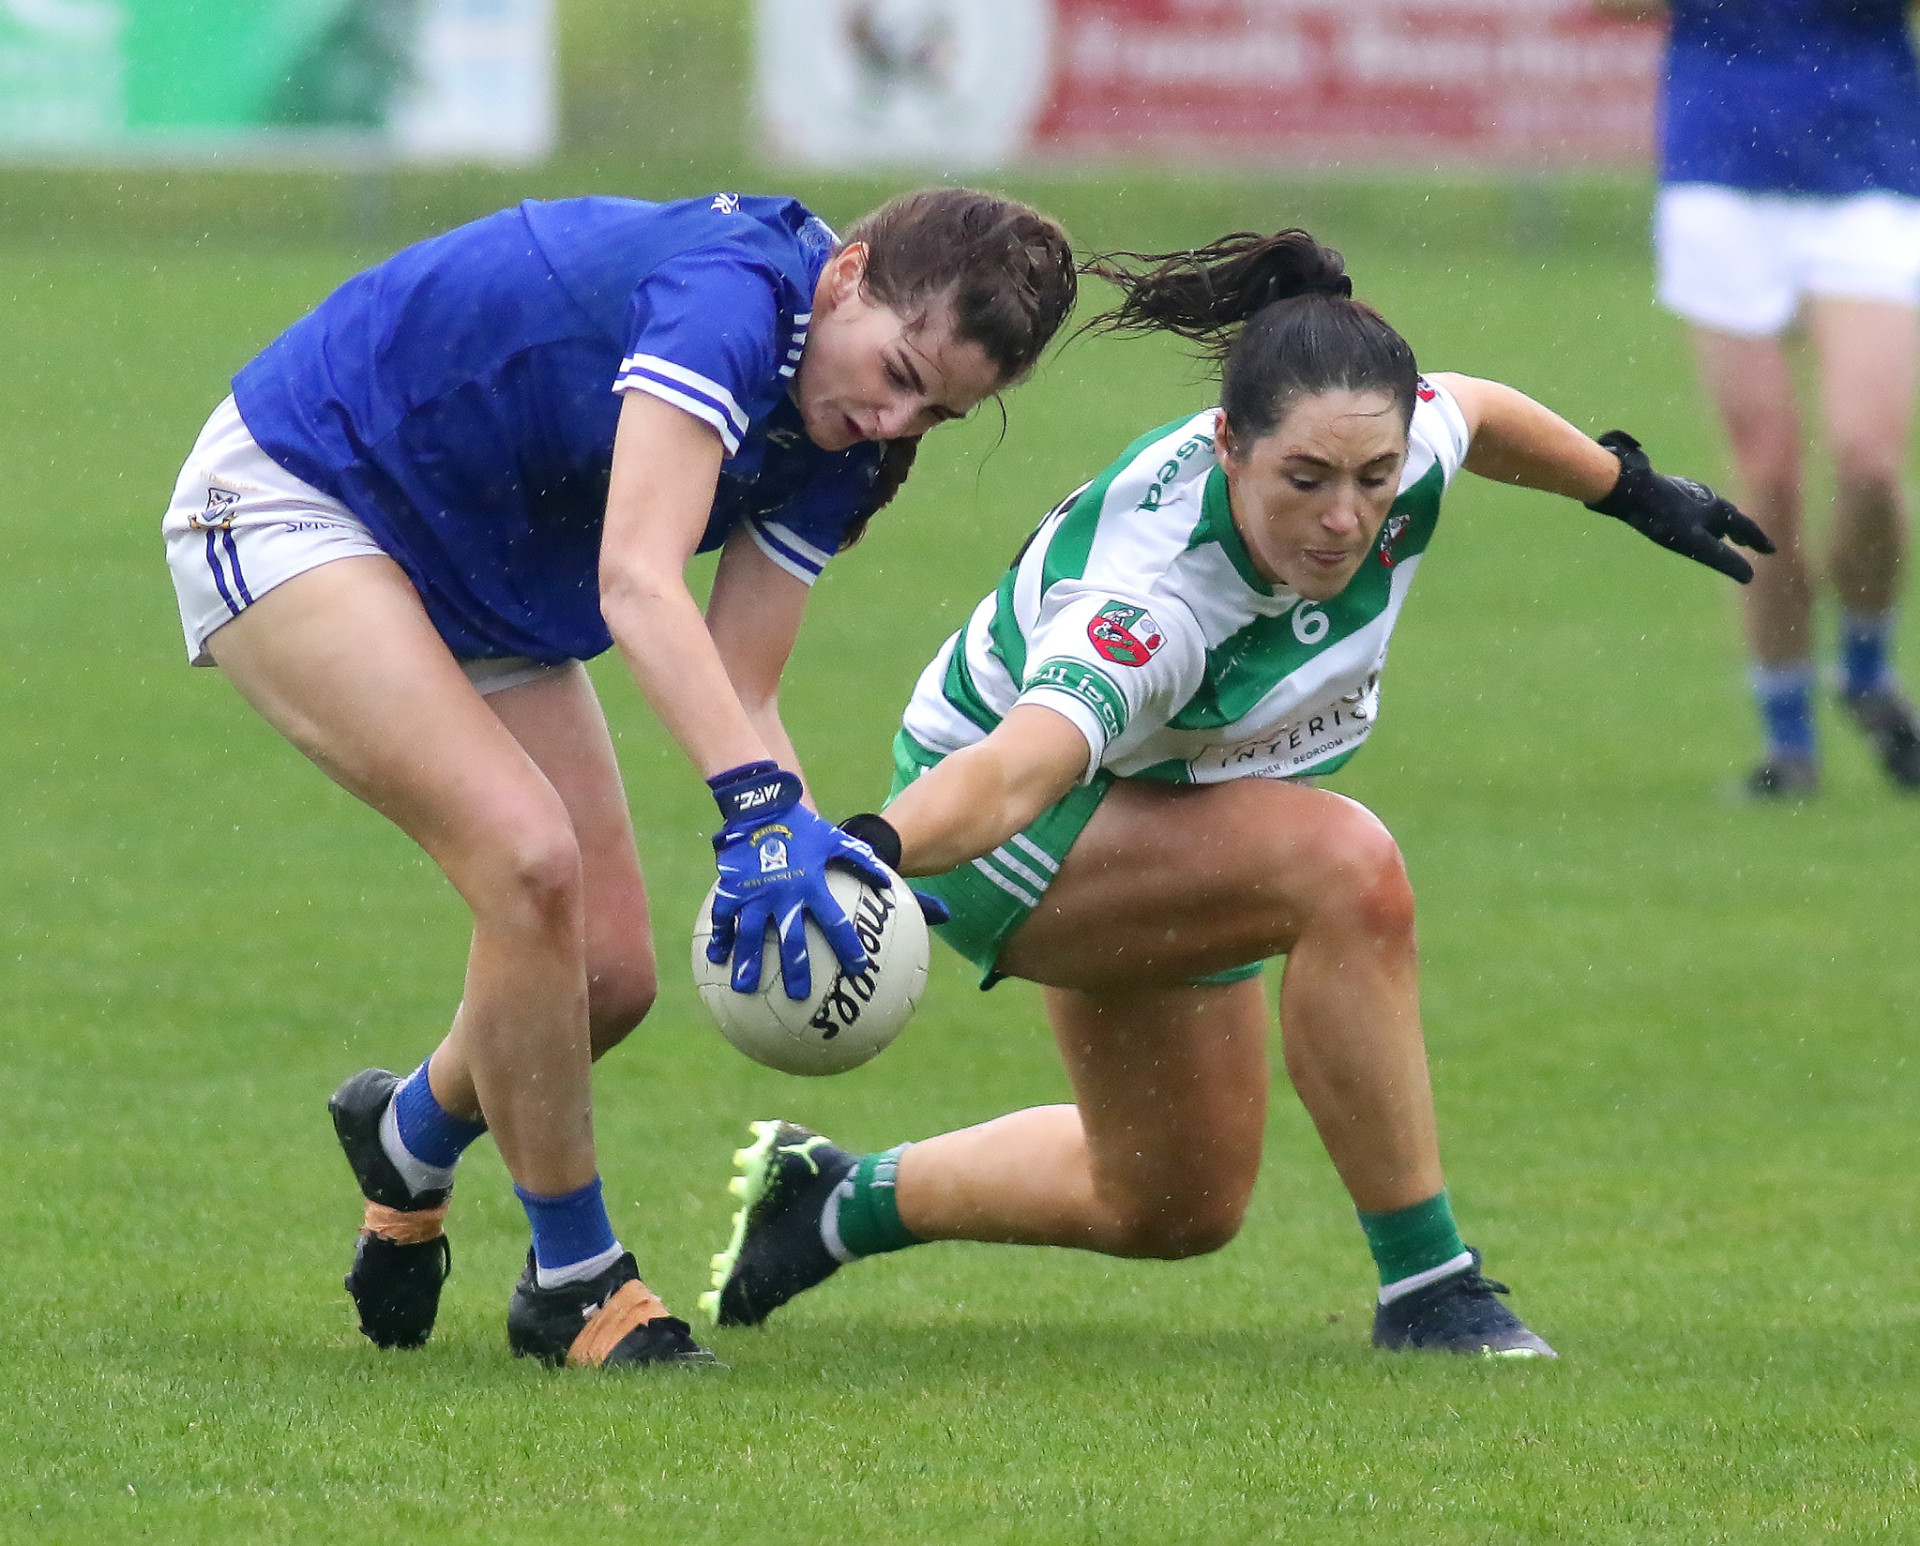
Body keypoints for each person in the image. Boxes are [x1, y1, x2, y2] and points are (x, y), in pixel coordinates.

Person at [699, 230, 1770, 1357]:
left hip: (1170, 800)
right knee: (1344, 868)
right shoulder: (1155, 603)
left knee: (1170, 1201)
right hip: (1003, 832)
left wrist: (1629, 486)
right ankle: (1433, 1289)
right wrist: (862, 845)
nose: (1346, 518)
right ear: (1229, 448)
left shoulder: (1397, 446)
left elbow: (1478, 411)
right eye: (1304, 482)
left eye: (1373, 478)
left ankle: (826, 1201)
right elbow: (1021, 766)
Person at [159, 188, 1076, 1369]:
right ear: (844, 276)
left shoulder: (852, 440)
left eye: (935, 409)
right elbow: (638, 582)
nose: (891, 417)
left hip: (473, 570)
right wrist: (750, 813)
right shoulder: (725, 303)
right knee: (530, 859)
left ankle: (411, 1133)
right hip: (299, 495)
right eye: (896, 369)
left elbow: (743, 684)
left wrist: (807, 841)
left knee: (608, 974)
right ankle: (575, 1279)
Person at [1619, 0, 1920, 795]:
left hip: (1871, 165)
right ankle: (1789, 748)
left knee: (1867, 460)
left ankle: (1864, 668)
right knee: (1771, 480)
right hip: (1719, 165)